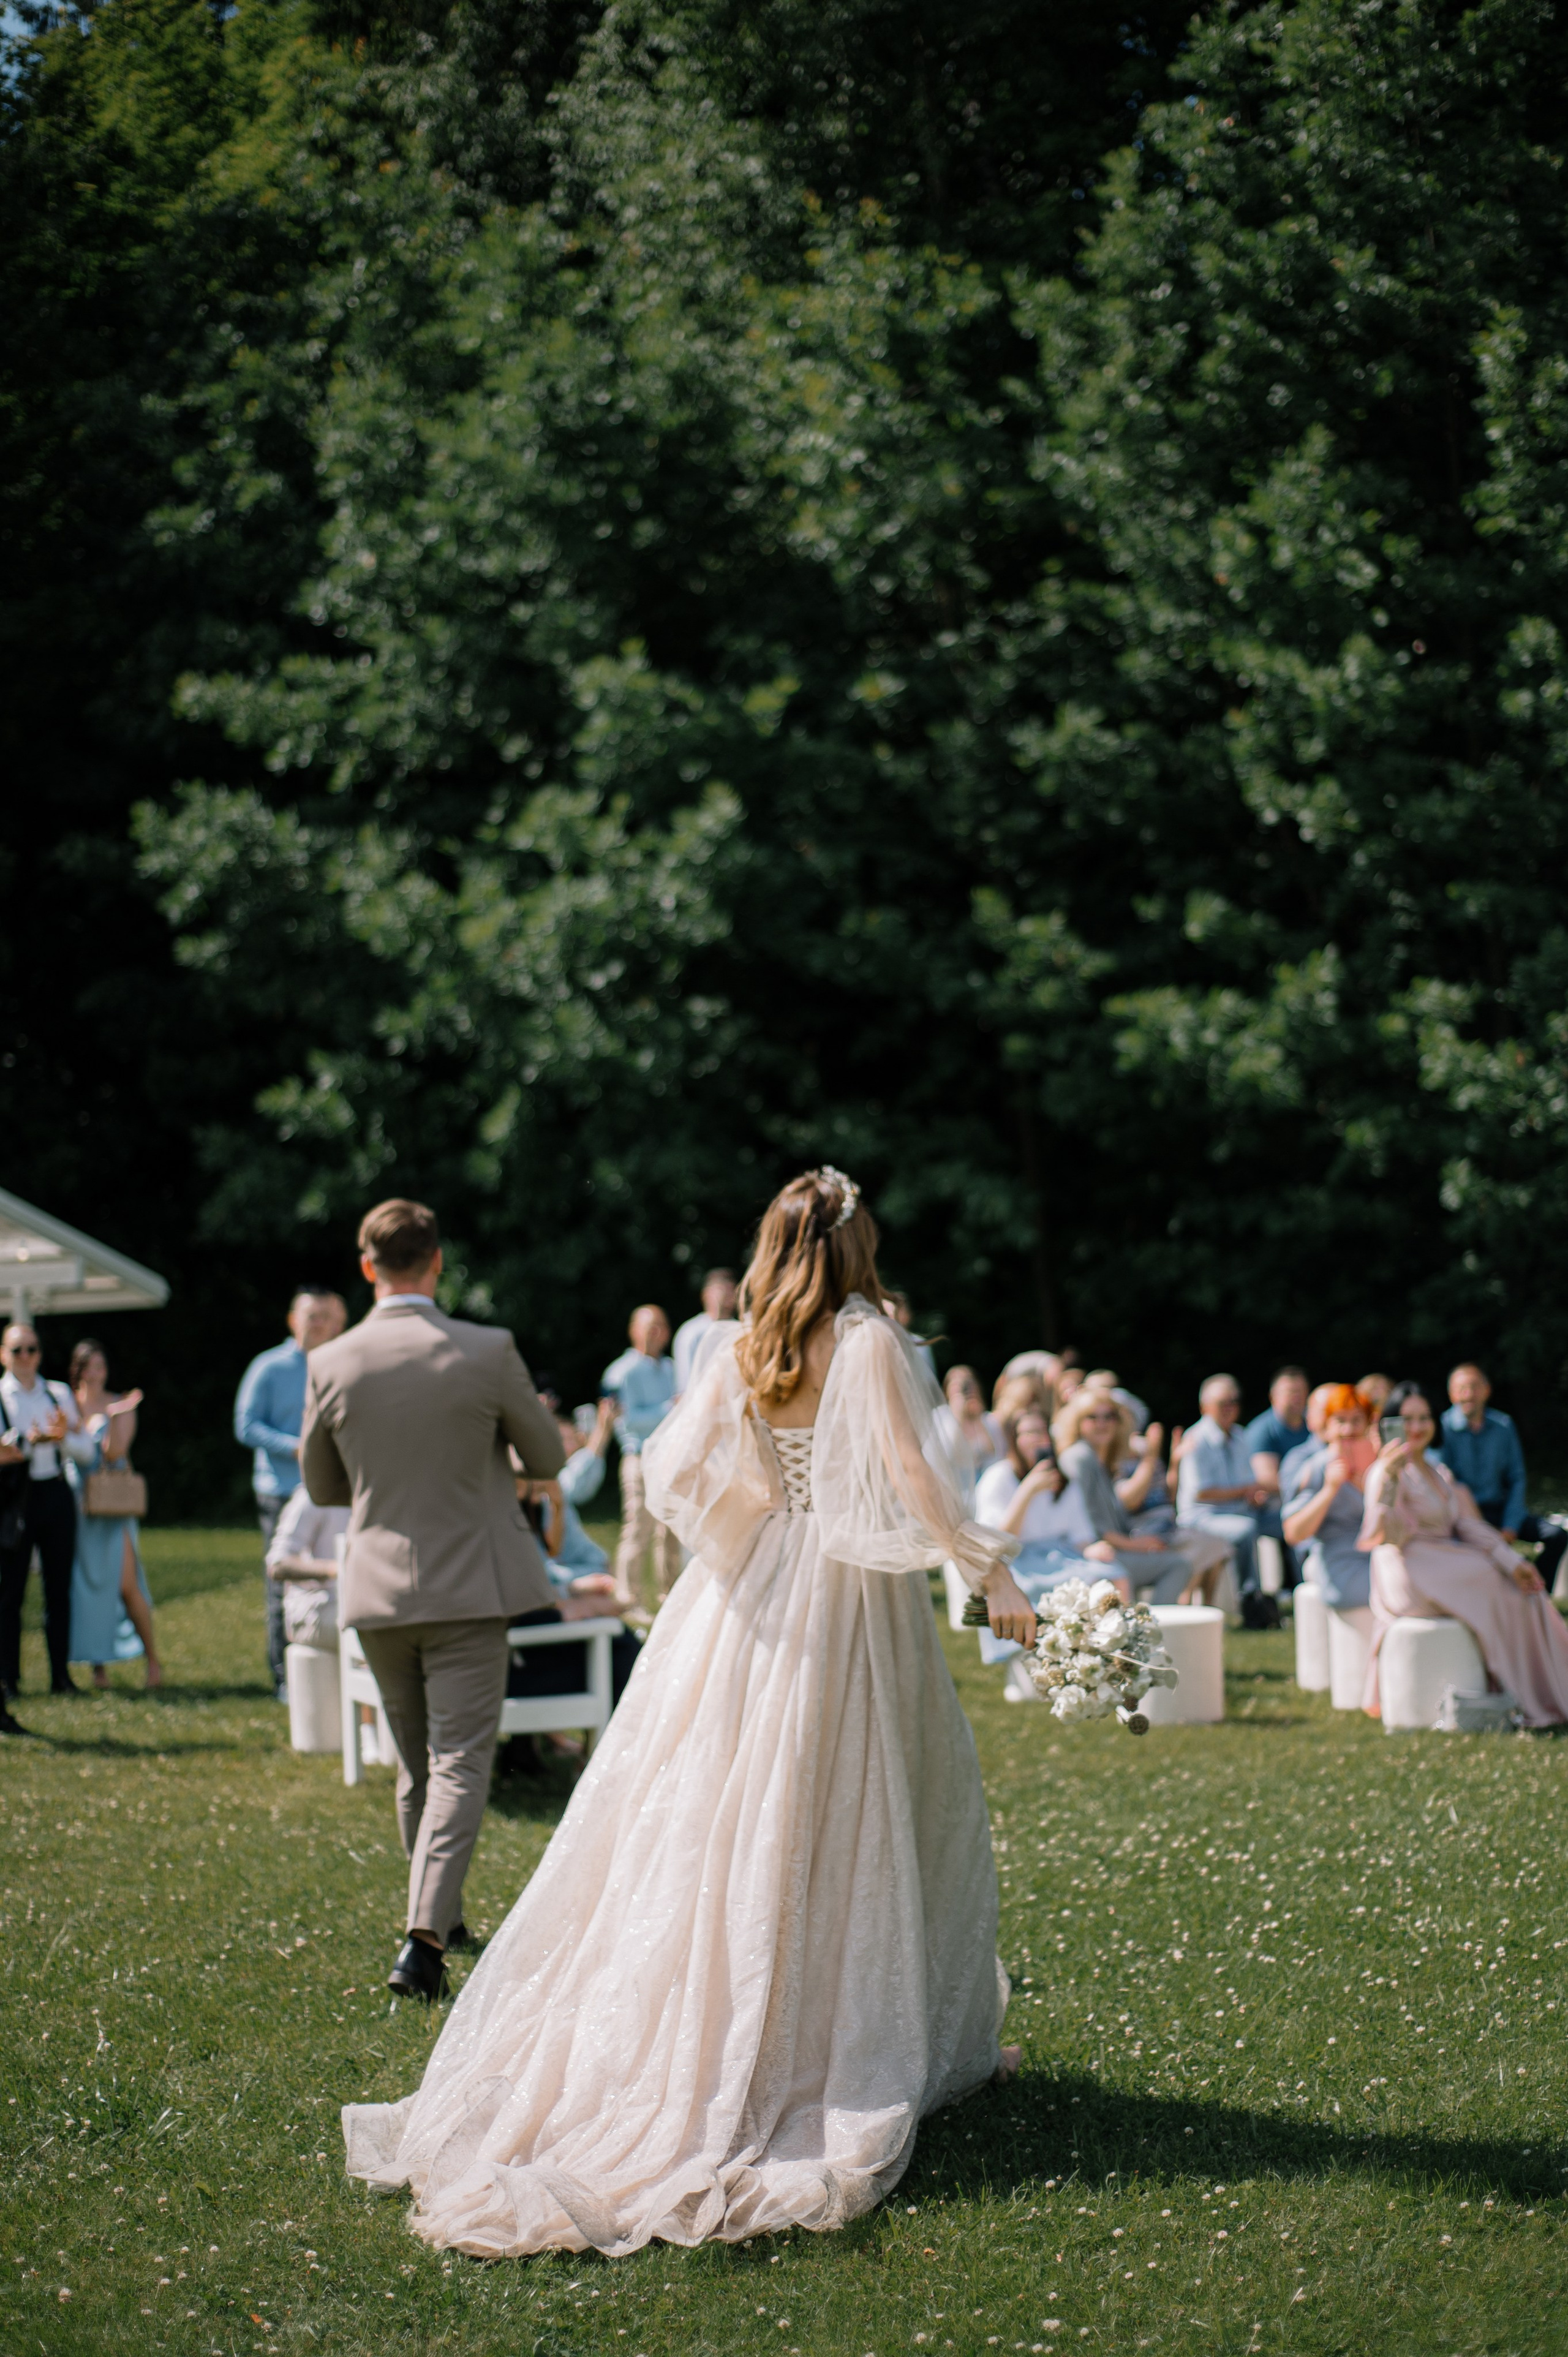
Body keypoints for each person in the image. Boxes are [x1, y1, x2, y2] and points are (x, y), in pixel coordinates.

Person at [342, 1164, 1035, 2251]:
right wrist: (990, 1567)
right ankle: (816, 2045)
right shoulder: (864, 1340)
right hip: (842, 1595)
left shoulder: (745, 1341)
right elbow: (912, 1473)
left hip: (751, 1585)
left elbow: (693, 1475)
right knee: (844, 1797)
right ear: (854, 1245)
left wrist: (763, 1528)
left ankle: (783, 2018)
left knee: (732, 1797)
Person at [301, 1199, 564, 2002]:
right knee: (458, 1761)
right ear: (438, 1260)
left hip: (378, 1588)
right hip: (469, 1587)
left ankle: (440, 1917)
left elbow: (322, 1484)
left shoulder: (331, 1361)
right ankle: (423, 1941)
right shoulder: (486, 1349)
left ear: (367, 1266)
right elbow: (547, 1455)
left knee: (418, 1765)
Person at [1359, 1381, 1568, 1726]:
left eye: (1424, 1418)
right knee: (1495, 1581)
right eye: (1406, 1419)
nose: (1416, 1427)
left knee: (1518, 1584)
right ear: (1390, 1424)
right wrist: (1390, 1479)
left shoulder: (1438, 1471)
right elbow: (1388, 1536)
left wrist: (1511, 1560)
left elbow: (1466, 1525)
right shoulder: (1385, 1472)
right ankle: (1530, 1695)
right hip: (1408, 1570)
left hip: (1443, 1561)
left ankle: (1551, 1686)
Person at [234, 1288, 347, 1699]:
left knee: (332, 1576)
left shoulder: (338, 1365)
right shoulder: (269, 1367)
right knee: (283, 1578)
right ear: (292, 1321)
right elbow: (246, 1426)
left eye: (324, 1317)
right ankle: (284, 1678)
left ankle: (334, 1667)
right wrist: (295, 1447)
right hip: (281, 1488)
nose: (318, 1324)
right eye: (310, 1316)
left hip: (330, 1489)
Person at [1057, 1387, 1226, 1605]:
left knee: (1203, 1549)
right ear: (1077, 1422)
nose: (1102, 1423)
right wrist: (1135, 1545)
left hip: (1115, 1548)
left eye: (1109, 1416)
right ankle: (1152, 1623)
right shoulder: (1079, 1458)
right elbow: (1088, 1525)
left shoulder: (1100, 1459)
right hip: (1091, 1556)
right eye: (1093, 1417)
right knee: (1177, 1565)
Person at [0, 1322, 96, 1702]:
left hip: (55, 1492)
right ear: (3, 1354)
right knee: (10, 1592)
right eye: (17, 1350)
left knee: (59, 1589)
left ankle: (61, 1676)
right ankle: (9, 1679)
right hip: (14, 1499)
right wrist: (28, 1441)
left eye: (32, 1349)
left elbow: (86, 1451)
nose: (26, 1357)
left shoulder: (58, 1394)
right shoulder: (1, 1396)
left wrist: (62, 1437)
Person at [974, 1407, 1098, 1675]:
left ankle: (1097, 1661)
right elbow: (997, 1541)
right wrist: (1027, 1491)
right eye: (1028, 1433)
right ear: (1014, 1440)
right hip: (1015, 1560)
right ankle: (1034, 1670)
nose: (1037, 1439)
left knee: (1110, 1576)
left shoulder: (1064, 1478)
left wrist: (1094, 1548)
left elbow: (1081, 1535)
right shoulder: (998, 1477)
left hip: (1061, 1555)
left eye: (1041, 1432)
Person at [66, 1339, 159, 1689]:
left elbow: (114, 1452)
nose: (95, 1374)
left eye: (101, 1367)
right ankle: (99, 1669)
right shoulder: (67, 1404)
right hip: (80, 1507)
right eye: (89, 1367)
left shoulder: (120, 1404)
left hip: (113, 1507)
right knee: (87, 1586)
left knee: (126, 1585)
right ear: (78, 1370)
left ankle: (153, 1661)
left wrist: (112, 1416)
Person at [1434, 1363, 1567, 1593]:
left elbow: (1517, 1477)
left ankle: (1538, 1596)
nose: (1468, 1394)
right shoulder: (1442, 1430)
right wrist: (1481, 1530)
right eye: (1462, 1389)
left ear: (1487, 1390)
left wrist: (1510, 1525)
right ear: (1451, 1394)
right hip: (1466, 1517)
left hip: (1502, 1510)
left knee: (1557, 1536)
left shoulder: (1503, 1426)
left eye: (1474, 1387)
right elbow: (1445, 1483)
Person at [1177, 1373, 1274, 1623]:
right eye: (1223, 1403)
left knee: (1284, 1520)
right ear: (1205, 1407)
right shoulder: (1196, 1439)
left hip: (1240, 1509)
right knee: (1245, 1530)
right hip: (1203, 1516)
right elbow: (1201, 1492)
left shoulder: (1240, 1436)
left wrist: (1254, 1494)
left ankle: (1295, 1590)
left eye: (1234, 1401)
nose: (1230, 1408)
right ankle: (1250, 1599)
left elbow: (1248, 1482)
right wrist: (1244, 1491)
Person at [601, 1305, 679, 1619]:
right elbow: (628, 1421)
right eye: (649, 1327)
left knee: (671, 1530)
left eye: (661, 1326)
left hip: (670, 1457)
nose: (656, 1333)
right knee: (638, 1529)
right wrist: (671, 1408)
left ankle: (670, 1598)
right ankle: (629, 1601)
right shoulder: (621, 1372)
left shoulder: (672, 1368)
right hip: (640, 1458)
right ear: (634, 1331)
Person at [1281, 1385, 1379, 1624]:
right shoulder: (1316, 1467)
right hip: (1344, 1565)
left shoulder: (1380, 1464)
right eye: (1340, 1421)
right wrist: (1329, 1490)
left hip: (1382, 1558)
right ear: (1327, 1425)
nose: (1348, 1429)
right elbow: (1294, 1533)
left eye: (1357, 1420)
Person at [266, 1484, 350, 1650]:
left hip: (361, 1603)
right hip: (318, 1606)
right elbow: (279, 1565)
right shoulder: (311, 1495)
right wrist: (335, 1569)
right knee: (375, 1629)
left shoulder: (381, 1493)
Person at [671, 1269, 737, 1394]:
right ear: (706, 1294)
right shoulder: (692, 1332)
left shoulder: (740, 1330)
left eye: (731, 1290)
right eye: (722, 1289)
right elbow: (685, 1384)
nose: (728, 1294)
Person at [937, 1365, 1005, 1479]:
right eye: (957, 1384)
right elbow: (946, 1456)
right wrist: (958, 1417)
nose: (966, 1390)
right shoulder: (941, 1418)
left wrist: (978, 1420)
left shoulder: (989, 1420)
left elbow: (999, 1455)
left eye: (969, 1383)